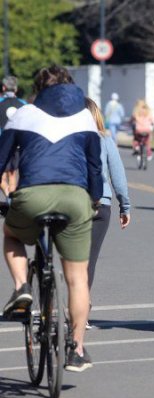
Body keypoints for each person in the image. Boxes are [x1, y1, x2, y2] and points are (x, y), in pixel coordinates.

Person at [0, 65, 102, 371]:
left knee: (12, 234)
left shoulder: (24, 114)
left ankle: (22, 288)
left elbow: (2, 159)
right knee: (77, 278)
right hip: (75, 197)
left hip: (33, 195)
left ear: (38, 88)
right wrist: (94, 199)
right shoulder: (85, 116)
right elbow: (95, 166)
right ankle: (77, 350)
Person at [84, 98, 131, 326]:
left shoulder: (67, 140)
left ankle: (73, 301)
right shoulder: (105, 139)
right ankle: (83, 306)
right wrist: (125, 205)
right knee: (89, 260)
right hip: (100, 205)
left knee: (73, 259)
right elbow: (118, 176)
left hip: (71, 204)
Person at [0, 76, 27, 197]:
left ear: (3, 87)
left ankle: (6, 193)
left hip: (2, 142)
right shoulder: (23, 104)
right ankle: (11, 199)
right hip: (17, 143)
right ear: (15, 89)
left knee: (2, 175)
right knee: (12, 174)